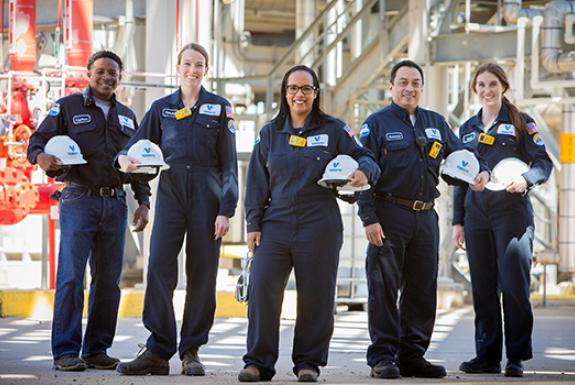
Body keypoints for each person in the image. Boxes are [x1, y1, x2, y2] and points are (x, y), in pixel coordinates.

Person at [238, 65, 380, 383]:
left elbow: (366, 156)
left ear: (316, 94)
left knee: (316, 294)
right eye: (293, 88)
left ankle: (308, 362)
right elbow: (256, 184)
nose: (299, 94)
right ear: (284, 93)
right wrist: (253, 224)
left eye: (306, 89)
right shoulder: (270, 133)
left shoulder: (334, 130)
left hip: (320, 222)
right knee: (262, 288)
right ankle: (258, 362)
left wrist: (363, 173)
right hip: (276, 222)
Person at [358, 59, 490, 379]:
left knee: (422, 288)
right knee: (385, 287)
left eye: (415, 82)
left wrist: (480, 170)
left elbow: (460, 156)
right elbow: (361, 173)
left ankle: (413, 355)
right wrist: (369, 218)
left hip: (425, 216)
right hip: (388, 213)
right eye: (403, 82)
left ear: (421, 87)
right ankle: (383, 356)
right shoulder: (375, 124)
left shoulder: (436, 122)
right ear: (391, 87)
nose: (409, 88)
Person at [115, 43, 238, 376]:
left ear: (206, 70)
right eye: (187, 63)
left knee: (202, 274)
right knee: (158, 268)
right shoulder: (161, 108)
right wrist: (124, 158)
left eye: (199, 64)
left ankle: (191, 350)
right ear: (179, 68)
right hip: (170, 196)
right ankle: (158, 348)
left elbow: (229, 163)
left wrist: (226, 208)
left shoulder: (220, 107)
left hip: (207, 198)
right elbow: (137, 145)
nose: (193, 69)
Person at [26, 50, 151, 371]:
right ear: (89, 73)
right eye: (101, 71)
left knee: (108, 281)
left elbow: (137, 162)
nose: (107, 77)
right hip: (79, 200)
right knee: (70, 278)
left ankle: (96, 349)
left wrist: (144, 201)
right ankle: (66, 351)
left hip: (115, 203)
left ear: (120, 78)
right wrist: (41, 159)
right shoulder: (68, 107)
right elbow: (36, 141)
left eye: (113, 73)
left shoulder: (127, 116)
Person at [453, 63, 552, 378]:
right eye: (481, 85)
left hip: (511, 213)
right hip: (476, 215)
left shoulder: (522, 123)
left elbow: (543, 164)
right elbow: (461, 174)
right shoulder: (467, 128)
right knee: (482, 288)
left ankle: (516, 356)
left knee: (513, 286)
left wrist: (525, 180)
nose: (487, 90)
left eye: (492, 84)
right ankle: (487, 355)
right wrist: (458, 221)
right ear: (475, 89)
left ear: (503, 87)